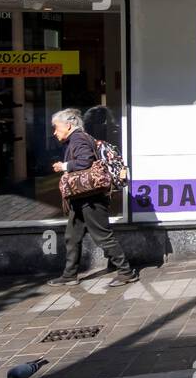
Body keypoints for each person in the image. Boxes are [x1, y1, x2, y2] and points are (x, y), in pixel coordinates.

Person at [48, 108, 139, 287]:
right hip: (81, 197)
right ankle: (69, 275)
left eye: (56, 127)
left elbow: (85, 161)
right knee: (72, 236)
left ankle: (126, 271)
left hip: (91, 198)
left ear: (68, 125)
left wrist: (64, 166)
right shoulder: (77, 139)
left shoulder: (79, 138)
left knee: (102, 236)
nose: (54, 132)